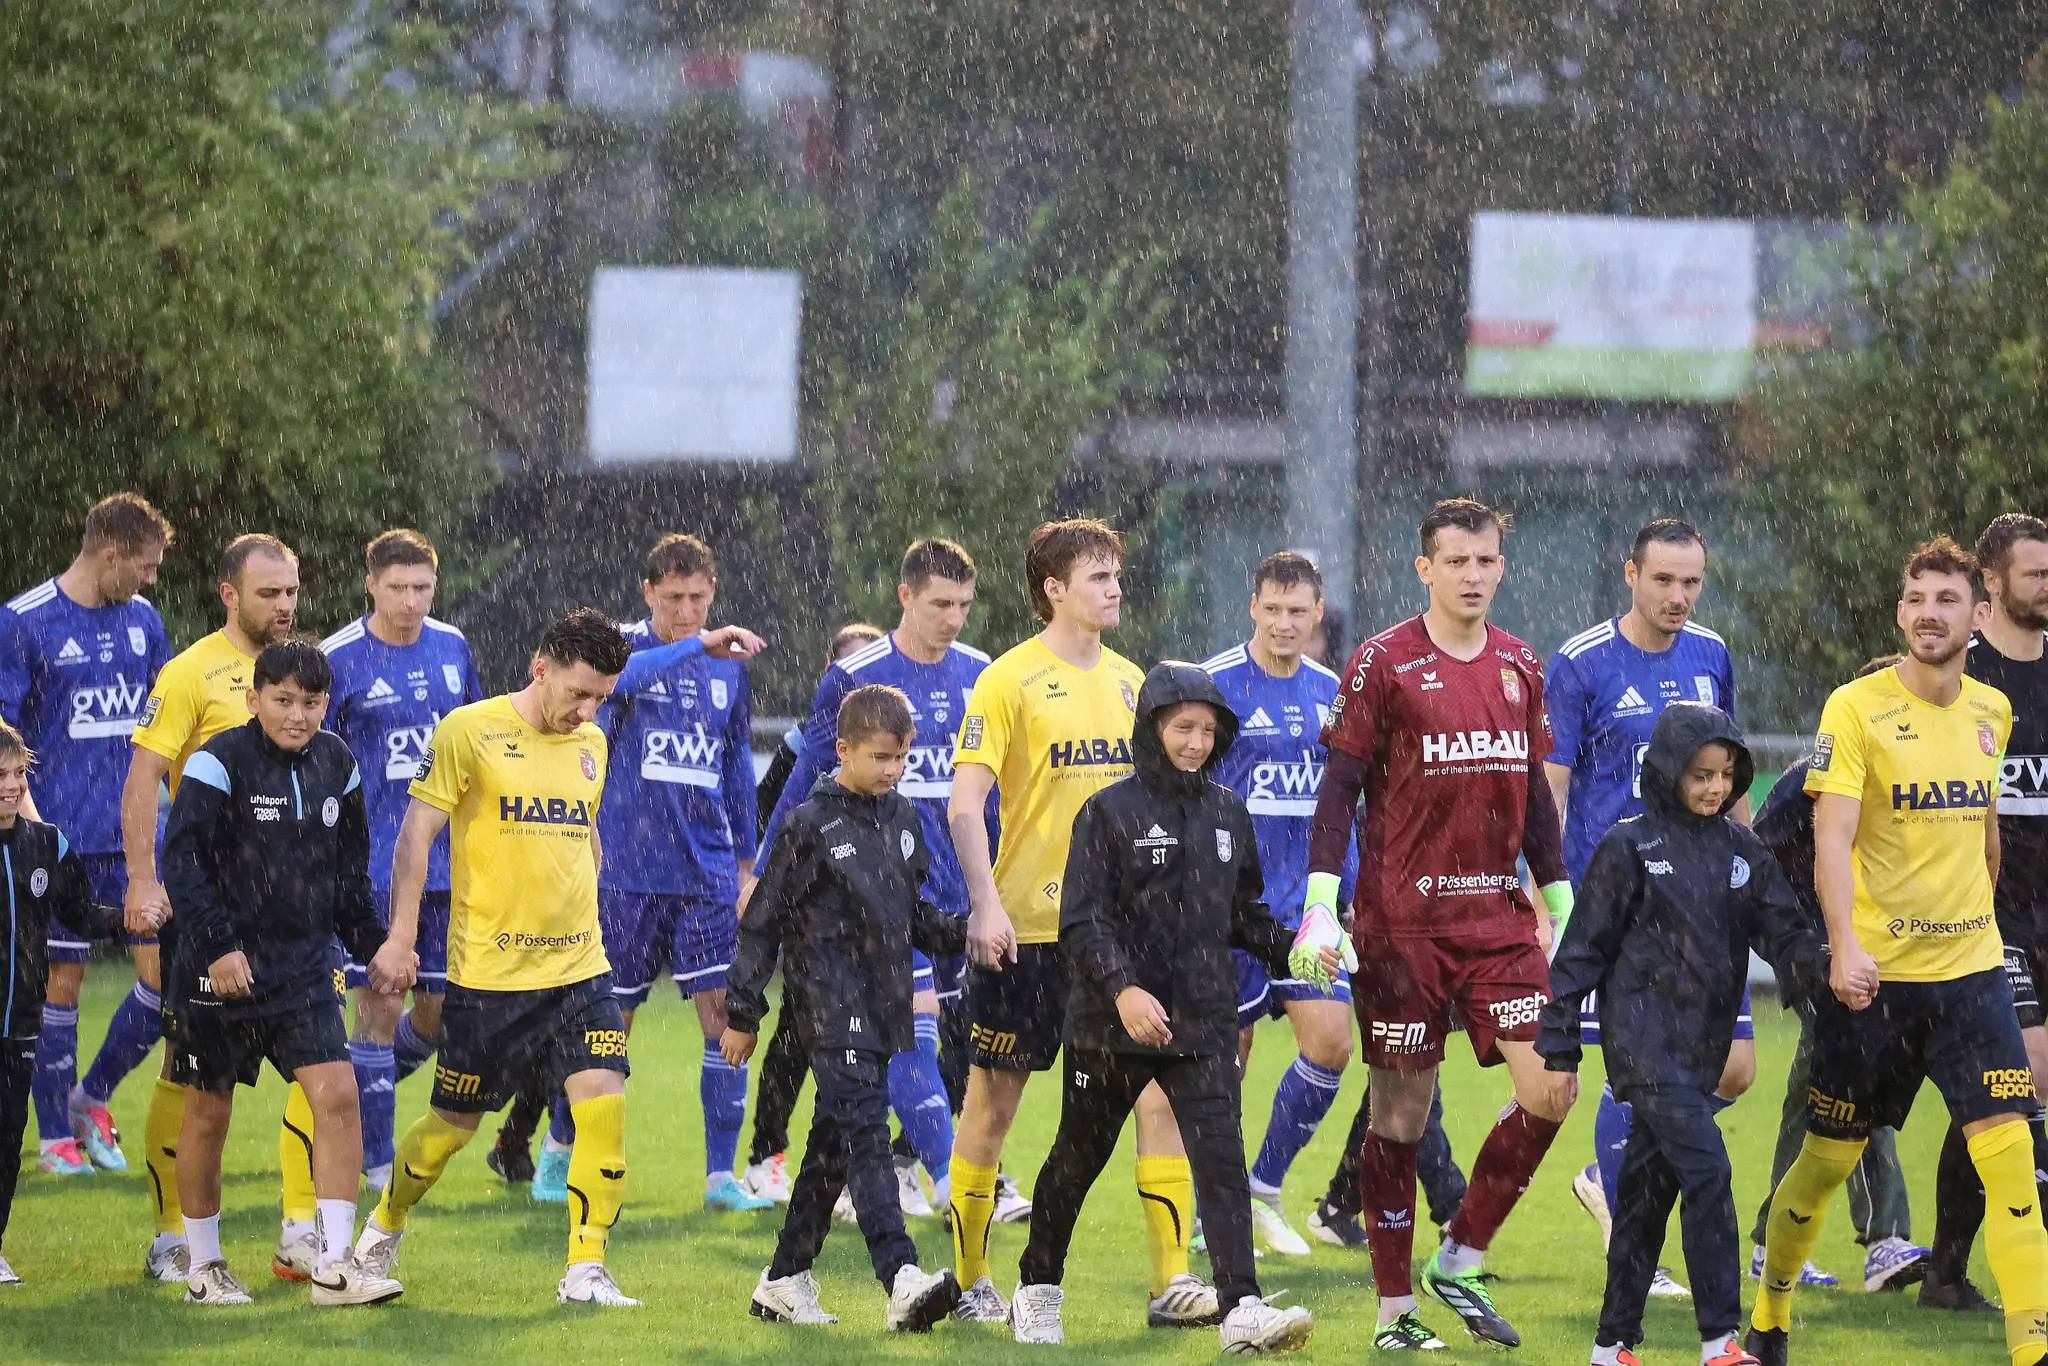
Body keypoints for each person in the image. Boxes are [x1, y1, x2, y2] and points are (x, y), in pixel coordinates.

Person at [352, 608, 761, 1308]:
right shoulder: (468, 731)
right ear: (540, 667)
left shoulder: (592, 743)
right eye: (578, 693)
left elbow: (586, 836)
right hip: (488, 977)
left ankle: (586, 1268)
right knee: (451, 1128)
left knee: (604, 1102)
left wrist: (587, 899)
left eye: (601, 696)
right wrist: (400, 936)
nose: (588, 710)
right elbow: (417, 838)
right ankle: (380, 1232)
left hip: (579, 970)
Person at [1746, 537, 2048, 1366]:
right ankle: (1769, 1316)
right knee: (1824, 1164)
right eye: (1916, 599)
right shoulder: (1855, 707)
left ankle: (2032, 1346)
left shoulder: (1992, 711)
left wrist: (1979, 924)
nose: (1928, 613)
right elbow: (1830, 838)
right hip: (1872, 984)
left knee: (2011, 1153)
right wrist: (1841, 950)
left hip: (1972, 976)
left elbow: (1985, 832)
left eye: (1947, 601)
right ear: (1900, 612)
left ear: (1976, 615)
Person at [1301, 498, 1574, 1351]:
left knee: (1551, 1088)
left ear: (1501, 565)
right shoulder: (1381, 663)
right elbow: (1339, 791)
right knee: (1401, 1119)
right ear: (1425, 569)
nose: (1472, 575)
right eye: (1455, 561)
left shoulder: (1522, 664)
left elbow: (1531, 791)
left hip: (1497, 921)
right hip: (1402, 927)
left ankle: (1458, 1256)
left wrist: (1557, 895)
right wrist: (1319, 904)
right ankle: (1393, 1313)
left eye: (1485, 561)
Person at [1006, 661, 1324, 1354]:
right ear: (1153, 727)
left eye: (1209, 730)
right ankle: (1035, 1292)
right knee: (1076, 1159)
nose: (1196, 742)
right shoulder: (1108, 813)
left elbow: (1242, 915)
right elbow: (1083, 922)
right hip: (1110, 1024)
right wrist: (1123, 990)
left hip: (1203, 1023)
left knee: (1221, 1162)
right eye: (1183, 727)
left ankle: (1242, 1308)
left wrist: (1296, 950)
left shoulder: (1227, 813)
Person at [947, 518, 1218, 1329]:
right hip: (1026, 935)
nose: (1115, 589)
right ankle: (969, 1284)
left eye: (1117, 576)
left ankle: (1172, 1283)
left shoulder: (1139, 683)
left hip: (1120, 944)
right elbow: (964, 803)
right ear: (1053, 589)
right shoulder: (1008, 680)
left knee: (1158, 1095)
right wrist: (985, 901)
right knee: (993, 1108)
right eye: (1098, 577)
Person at [1540, 702, 1831, 1366]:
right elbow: (1577, 957)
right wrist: (1558, 1047)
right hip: (1643, 1049)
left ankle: (1611, 1345)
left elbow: (1785, 931)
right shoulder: (1627, 846)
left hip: (1700, 1053)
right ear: (1669, 770)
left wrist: (1829, 976)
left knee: (1644, 1200)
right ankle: (1719, 1342)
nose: (1714, 788)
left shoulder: (1742, 850)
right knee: (1709, 1173)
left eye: (1726, 775)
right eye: (1700, 774)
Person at [1544, 519, 1762, 1298]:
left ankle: (1615, 1168)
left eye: (1691, 582)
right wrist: (1550, 895)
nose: (1678, 596)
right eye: (1664, 580)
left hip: (1703, 899)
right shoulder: (1580, 664)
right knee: (1637, 1076)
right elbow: (1553, 788)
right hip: (1622, 901)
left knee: (1733, 1069)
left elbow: (1728, 776)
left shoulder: (1711, 655)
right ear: (1630, 574)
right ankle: (1632, 1241)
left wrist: (1755, 872)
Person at [161, 639, 405, 1308]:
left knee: (338, 1096)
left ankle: (333, 1266)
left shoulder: (339, 764)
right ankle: (205, 1268)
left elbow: (349, 880)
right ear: (254, 700)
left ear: (327, 703)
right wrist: (217, 946)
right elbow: (182, 864)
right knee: (210, 1112)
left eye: (312, 702)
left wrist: (376, 946)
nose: (299, 715)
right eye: (283, 701)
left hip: (302, 969)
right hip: (220, 971)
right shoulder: (218, 762)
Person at [754, 541, 987, 1217]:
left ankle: (878, 1172)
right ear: (905, 596)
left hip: (960, 888)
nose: (953, 618)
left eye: (965, 605)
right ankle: (957, 1183)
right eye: (941, 603)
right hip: (876, 888)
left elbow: (991, 791)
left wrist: (995, 884)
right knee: (913, 1028)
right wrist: (767, 872)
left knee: (962, 1044)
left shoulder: (983, 674)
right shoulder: (855, 674)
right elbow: (806, 782)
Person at [727, 684, 967, 1332]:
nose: (891, 770)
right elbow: (763, 920)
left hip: (881, 1008)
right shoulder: (810, 824)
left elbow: (910, 918)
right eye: (880, 757)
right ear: (843, 750)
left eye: (901, 758)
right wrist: (743, 1013)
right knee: (866, 1135)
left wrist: (970, 932)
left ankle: (783, 1280)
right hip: (824, 1008)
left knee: (832, 1148)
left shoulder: (906, 823)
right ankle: (901, 1275)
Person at [553, 535, 766, 1213]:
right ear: (648, 593)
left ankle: (719, 1178)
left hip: (703, 871)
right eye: (673, 597)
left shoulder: (729, 667)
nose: (687, 608)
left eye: (699, 597)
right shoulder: (622, 646)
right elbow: (620, 682)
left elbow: (735, 763)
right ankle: (561, 1153)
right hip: (625, 869)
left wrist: (744, 864)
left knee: (725, 1015)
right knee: (611, 1017)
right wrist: (696, 646)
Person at [126, 532, 308, 1283]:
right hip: (208, 914)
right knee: (191, 1073)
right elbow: (143, 780)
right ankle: (172, 1236)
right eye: (270, 593)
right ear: (230, 594)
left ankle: (302, 1231)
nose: (285, 605)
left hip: (290, 917)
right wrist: (143, 879)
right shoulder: (191, 672)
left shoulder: (298, 673)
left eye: (292, 591)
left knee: (319, 1066)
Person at [0, 492, 174, 1176]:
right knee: (60, 981)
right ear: (110, 555)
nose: (151, 579)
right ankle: (54, 1143)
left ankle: (89, 1095)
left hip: (137, 835)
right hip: (61, 834)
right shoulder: (24, 622)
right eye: (145, 566)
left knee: (166, 979)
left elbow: (163, 725)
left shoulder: (144, 622)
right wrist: (35, 827)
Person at [1746, 678, 1932, 1298]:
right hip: (1817, 953)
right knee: (1858, 1075)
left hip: (1864, 948)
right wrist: (1806, 941)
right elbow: (1756, 862)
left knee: (1819, 1090)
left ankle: (1770, 1242)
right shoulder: (1815, 777)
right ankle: (1884, 1239)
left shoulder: (1911, 769)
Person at [1199, 551, 1357, 1256]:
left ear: (1317, 614)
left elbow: (1346, 802)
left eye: (1299, 611)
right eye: (1274, 609)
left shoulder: (1337, 691)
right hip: (1227, 911)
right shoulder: (1214, 684)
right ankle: (1216, 1208)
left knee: (1331, 1043)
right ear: (1253, 607)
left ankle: (1265, 1188)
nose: (1286, 622)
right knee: (1221, 1070)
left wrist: (1348, 893)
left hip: (1305, 911)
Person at [319, 530, 483, 1193]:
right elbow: (314, 757)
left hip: (447, 866)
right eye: (398, 588)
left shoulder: (453, 647)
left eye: (422, 588)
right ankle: (376, 1160)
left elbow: (475, 742)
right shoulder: (337, 659)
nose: (411, 601)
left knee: (438, 1015)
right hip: (371, 866)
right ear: (371, 584)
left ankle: (358, 1094)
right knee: (378, 1007)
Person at [743, 620, 884, 1203]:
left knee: (888, 1035)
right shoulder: (808, 743)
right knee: (800, 1032)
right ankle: (765, 1154)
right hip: (815, 904)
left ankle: (872, 1165)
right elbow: (769, 804)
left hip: (878, 906)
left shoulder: (893, 748)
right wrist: (768, 878)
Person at [0, 718, 121, 1285]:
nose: (9, 786)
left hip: (20, 1024)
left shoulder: (46, 844)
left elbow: (81, 915)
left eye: (17, 775)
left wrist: (136, 918)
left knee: (5, 1143)